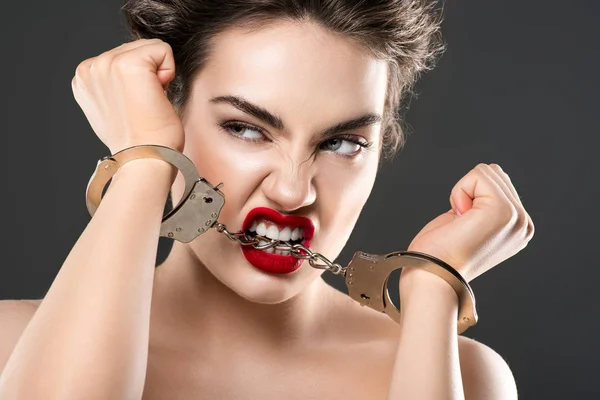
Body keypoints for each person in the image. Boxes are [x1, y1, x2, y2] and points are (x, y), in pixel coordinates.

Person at [0, 0, 534, 398]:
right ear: (168, 111)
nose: (291, 191)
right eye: (246, 128)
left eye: (342, 143)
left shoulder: (458, 373)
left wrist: (432, 287)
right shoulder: (13, 345)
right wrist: (144, 160)